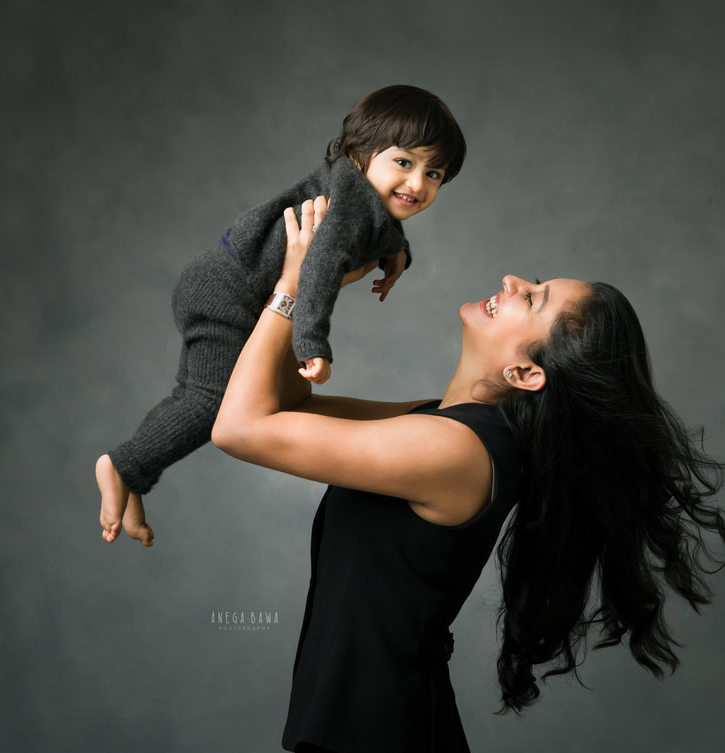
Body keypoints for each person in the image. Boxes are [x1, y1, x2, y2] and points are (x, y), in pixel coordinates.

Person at [196, 197, 725, 753]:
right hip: (365, 738)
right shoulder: (439, 423)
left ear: (527, 374)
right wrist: (321, 282)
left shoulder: (455, 452)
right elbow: (278, 403)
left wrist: (295, 283)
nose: (512, 281)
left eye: (532, 297)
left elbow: (238, 428)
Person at [95, 85, 467, 545]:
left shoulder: (357, 191)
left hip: (223, 284)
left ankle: (133, 476)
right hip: (228, 295)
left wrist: (398, 253)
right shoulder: (349, 201)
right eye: (405, 163)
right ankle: (121, 466)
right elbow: (319, 267)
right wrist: (313, 344)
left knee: (192, 393)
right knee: (214, 400)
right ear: (358, 152)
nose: (417, 184)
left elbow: (381, 228)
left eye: (434, 173)